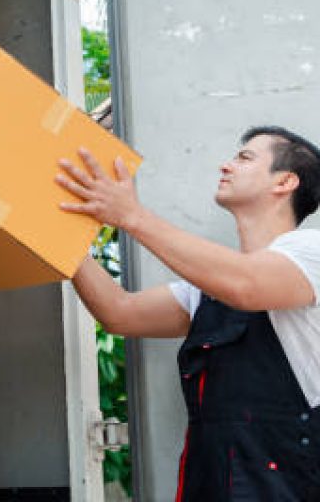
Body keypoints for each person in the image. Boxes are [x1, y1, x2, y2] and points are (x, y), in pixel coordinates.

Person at [56, 126, 320, 501]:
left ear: (285, 181)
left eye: (244, 158)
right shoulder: (206, 291)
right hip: (209, 482)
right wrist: (54, 233)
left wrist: (132, 217)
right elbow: (119, 312)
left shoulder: (311, 252)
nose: (225, 166)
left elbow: (247, 285)